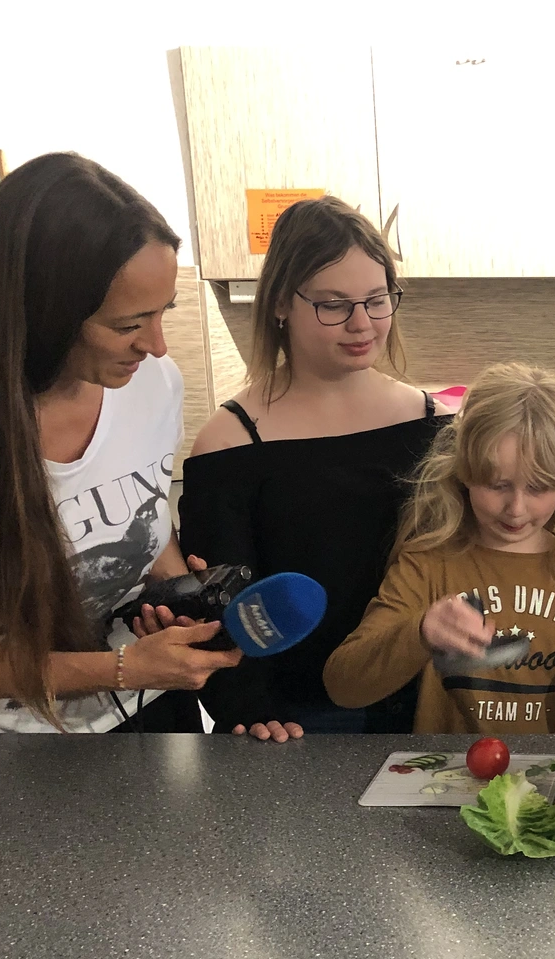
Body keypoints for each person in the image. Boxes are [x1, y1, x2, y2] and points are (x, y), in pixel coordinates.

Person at [0, 153, 241, 733]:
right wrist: (120, 668)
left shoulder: (154, 383)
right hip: (1, 745)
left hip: (146, 708)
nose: (156, 346)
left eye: (164, 312)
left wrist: (176, 595)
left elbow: (145, 514)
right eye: (128, 324)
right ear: (42, 314)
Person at [179, 196, 446, 740]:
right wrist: (250, 712)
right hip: (296, 720)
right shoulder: (230, 442)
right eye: (333, 305)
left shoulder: (434, 424)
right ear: (281, 302)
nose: (361, 324)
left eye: (377, 300)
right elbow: (220, 609)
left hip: (428, 701)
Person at [323, 363, 555, 734]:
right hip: (448, 771)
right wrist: (420, 632)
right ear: (464, 472)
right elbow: (344, 685)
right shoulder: (427, 566)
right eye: (497, 485)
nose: (516, 509)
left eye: (539, 487)